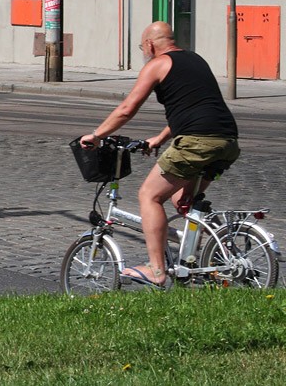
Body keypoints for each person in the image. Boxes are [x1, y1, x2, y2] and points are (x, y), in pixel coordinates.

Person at [79, 21, 239, 287]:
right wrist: (160, 138)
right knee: (181, 199)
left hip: (196, 142)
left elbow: (127, 109)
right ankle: (207, 258)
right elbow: (192, 107)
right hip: (227, 140)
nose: (144, 51)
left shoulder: (157, 64)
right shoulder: (195, 59)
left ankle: (156, 269)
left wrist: (97, 136)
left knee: (149, 195)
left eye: (143, 47)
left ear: (151, 45)